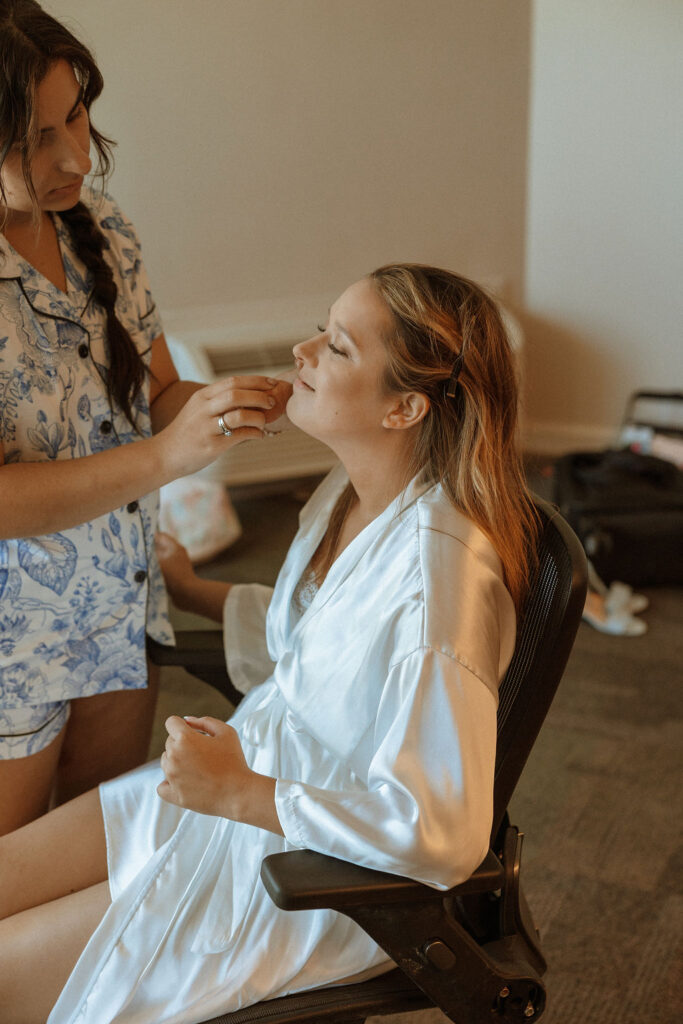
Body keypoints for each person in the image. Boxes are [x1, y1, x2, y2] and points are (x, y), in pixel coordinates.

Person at [0, 264, 540, 1024]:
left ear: (405, 407)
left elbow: (442, 831)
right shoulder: (353, 498)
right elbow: (318, 648)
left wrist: (244, 793)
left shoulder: (435, 591)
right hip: (243, 793)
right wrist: (193, 591)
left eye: (339, 348)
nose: (303, 350)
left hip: (308, 874)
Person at [0, 0, 290, 834]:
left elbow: (155, 392)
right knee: (15, 889)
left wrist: (220, 409)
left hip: (120, 607)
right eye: (35, 137)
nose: (76, 155)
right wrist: (167, 457)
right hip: (16, 640)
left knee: (105, 870)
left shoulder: (104, 231)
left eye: (78, 114)